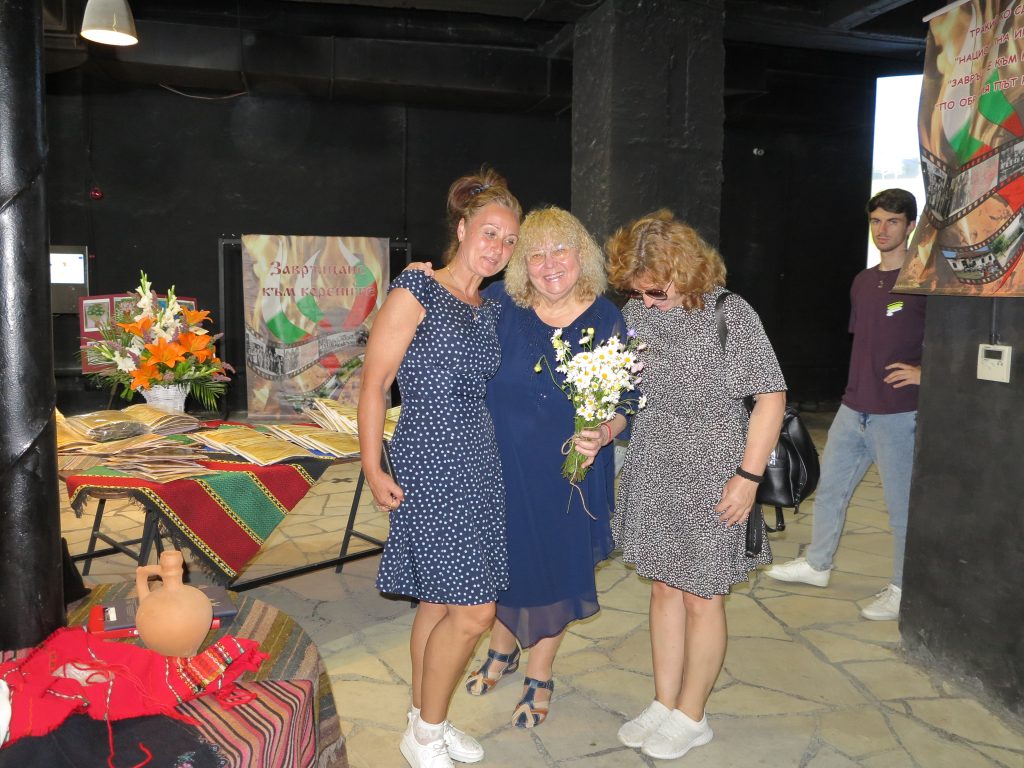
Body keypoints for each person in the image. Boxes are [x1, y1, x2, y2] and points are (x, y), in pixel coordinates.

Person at [405, 206, 630, 729]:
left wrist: (605, 432)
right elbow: (444, 307)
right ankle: (501, 649)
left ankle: (539, 673)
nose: (550, 264)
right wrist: (423, 279)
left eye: (560, 250)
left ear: (582, 254)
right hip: (496, 464)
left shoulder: (605, 318)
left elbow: (626, 400)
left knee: (554, 567)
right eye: (536, 254)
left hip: (568, 472)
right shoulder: (501, 304)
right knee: (504, 563)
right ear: (520, 263)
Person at [605, 209, 787, 761]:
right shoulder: (637, 312)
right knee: (663, 588)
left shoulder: (731, 313)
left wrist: (748, 478)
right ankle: (664, 703)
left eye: (656, 290)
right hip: (653, 465)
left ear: (684, 271)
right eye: (637, 290)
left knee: (702, 596)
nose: (646, 301)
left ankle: (692, 714)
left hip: (715, 472)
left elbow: (770, 398)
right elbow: (628, 395)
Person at [357, 167, 521, 768]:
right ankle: (426, 734)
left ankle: (425, 717)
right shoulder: (416, 290)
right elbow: (375, 385)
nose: (498, 247)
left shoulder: (488, 306)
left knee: (438, 602)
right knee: (475, 612)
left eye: (509, 240)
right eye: (490, 232)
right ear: (463, 228)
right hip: (429, 459)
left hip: (478, 460)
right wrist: (372, 466)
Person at [765, 188, 925, 622]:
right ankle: (818, 565)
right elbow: (868, 343)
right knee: (831, 489)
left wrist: (925, 372)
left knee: (901, 509)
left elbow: (947, 342)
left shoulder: (923, 282)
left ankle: (902, 588)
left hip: (899, 414)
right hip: (854, 408)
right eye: (876, 221)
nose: (882, 230)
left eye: (893, 221)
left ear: (910, 226)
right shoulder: (863, 282)